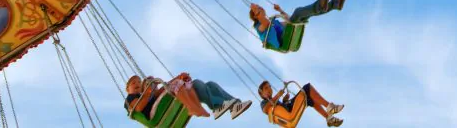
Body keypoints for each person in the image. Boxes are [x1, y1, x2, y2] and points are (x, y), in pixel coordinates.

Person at [124, 74, 252, 120]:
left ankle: (233, 105)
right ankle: (218, 106)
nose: (137, 84)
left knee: (206, 84)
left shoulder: (150, 94)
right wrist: (148, 92)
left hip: (176, 96)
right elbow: (139, 107)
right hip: (165, 108)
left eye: (138, 82)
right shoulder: (132, 98)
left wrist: (178, 76)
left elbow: (165, 86)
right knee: (194, 85)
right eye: (133, 83)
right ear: (127, 89)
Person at [249, 0, 346, 48]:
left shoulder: (274, 22)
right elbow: (265, 23)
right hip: (285, 39)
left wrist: (280, 10)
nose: (260, 8)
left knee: (306, 13)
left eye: (260, 7)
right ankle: (322, 5)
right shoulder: (259, 27)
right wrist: (256, 11)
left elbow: (289, 20)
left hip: (290, 31)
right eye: (258, 8)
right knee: (298, 11)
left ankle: (335, 4)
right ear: (255, 16)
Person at [258, 81, 344, 127]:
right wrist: (277, 96)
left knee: (309, 99)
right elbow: (265, 109)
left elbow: (280, 109)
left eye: (269, 86)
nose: (269, 89)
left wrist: (284, 100)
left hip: (289, 109)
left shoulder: (274, 101)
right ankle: (329, 106)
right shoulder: (264, 102)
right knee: (307, 88)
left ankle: (328, 118)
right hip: (290, 112)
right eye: (266, 88)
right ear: (261, 94)